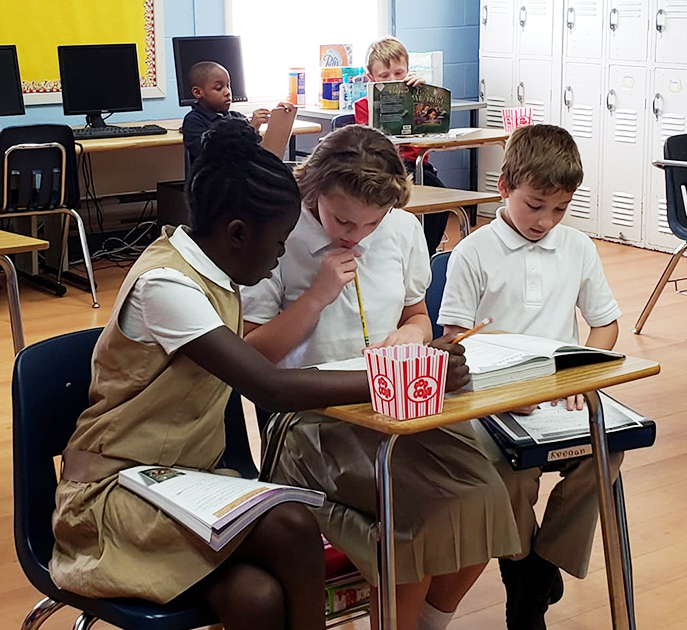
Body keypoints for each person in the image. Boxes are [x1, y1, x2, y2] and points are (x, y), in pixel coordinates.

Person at [49, 119, 472, 630]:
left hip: (184, 481)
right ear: (237, 233)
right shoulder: (165, 285)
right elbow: (269, 386)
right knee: (291, 525)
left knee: (258, 598)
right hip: (116, 490)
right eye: (277, 245)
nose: (280, 257)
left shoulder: (211, 273)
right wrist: (405, 377)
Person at [241, 124, 520, 630]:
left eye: (371, 224)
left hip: (393, 406)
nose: (354, 234)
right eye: (342, 218)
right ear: (313, 186)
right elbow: (253, 357)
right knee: (415, 511)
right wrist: (317, 296)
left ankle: (429, 620)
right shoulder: (276, 232)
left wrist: (412, 337)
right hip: (308, 418)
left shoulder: (401, 229)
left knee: (489, 494)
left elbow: (417, 315)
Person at [437, 125, 623, 630]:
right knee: (508, 476)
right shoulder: (472, 253)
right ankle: (526, 582)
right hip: (496, 399)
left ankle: (536, 567)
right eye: (535, 205)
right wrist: (501, 392)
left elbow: (605, 324)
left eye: (559, 209)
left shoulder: (577, 246)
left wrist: (583, 378)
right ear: (504, 187)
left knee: (608, 450)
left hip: (559, 392)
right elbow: (456, 344)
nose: (546, 220)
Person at [353, 36, 449, 256]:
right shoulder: (363, 106)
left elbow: (433, 130)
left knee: (439, 197)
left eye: (399, 73)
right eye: (384, 76)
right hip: (380, 167)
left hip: (415, 166)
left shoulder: (417, 94)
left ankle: (426, 253)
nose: (394, 79)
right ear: (371, 78)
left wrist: (425, 96)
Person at [181, 61, 288, 163]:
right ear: (198, 92)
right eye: (219, 88)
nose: (227, 92)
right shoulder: (194, 121)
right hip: (215, 180)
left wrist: (278, 118)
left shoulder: (238, 118)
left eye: (228, 86)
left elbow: (258, 151)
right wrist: (251, 128)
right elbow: (215, 153)